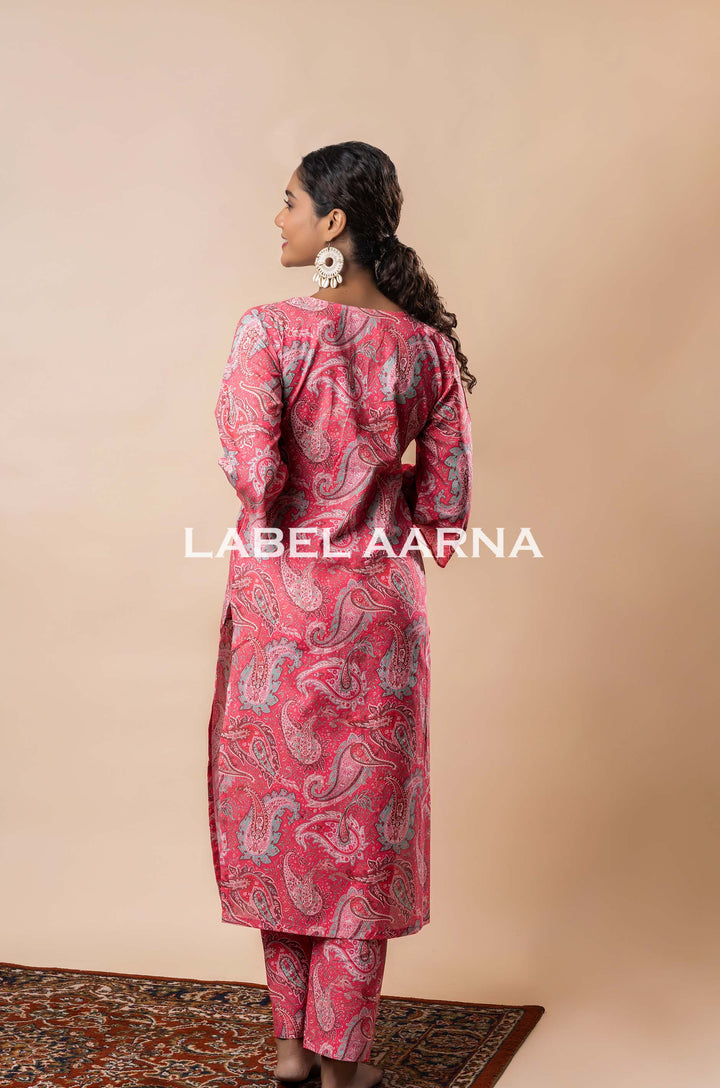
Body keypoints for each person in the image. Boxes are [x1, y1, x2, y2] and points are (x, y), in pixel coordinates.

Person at [206, 141, 475, 1088]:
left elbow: (255, 471)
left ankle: (291, 1048)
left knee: (280, 817)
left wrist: (298, 491)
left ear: (333, 223)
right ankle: (341, 1062)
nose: (277, 218)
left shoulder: (269, 330)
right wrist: (381, 488)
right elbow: (446, 509)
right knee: (360, 833)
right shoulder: (427, 349)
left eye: (289, 202)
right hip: (379, 613)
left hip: (282, 609)